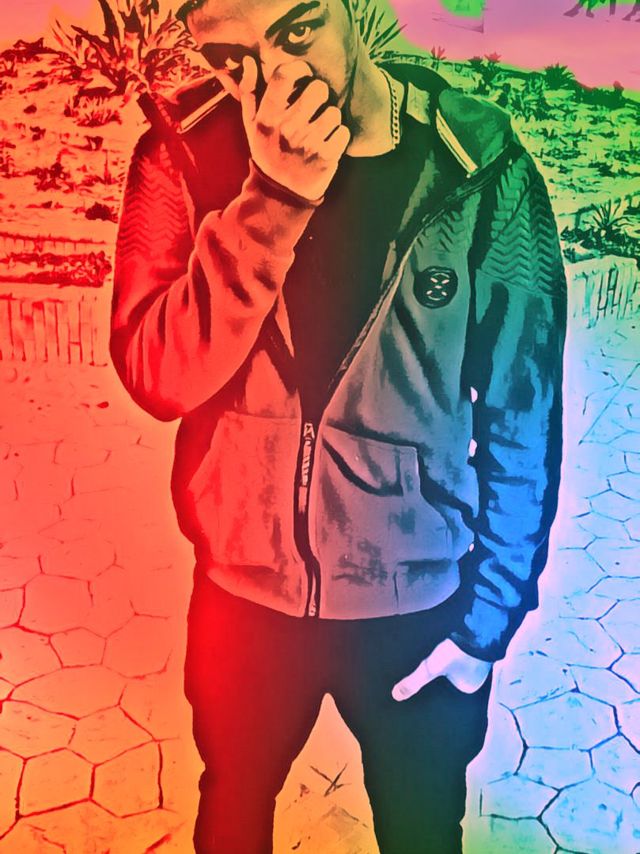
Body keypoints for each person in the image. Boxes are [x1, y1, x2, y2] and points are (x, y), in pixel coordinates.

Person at [110, 0, 567, 851]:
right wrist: (275, 200)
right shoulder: (181, 152)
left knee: (421, 829)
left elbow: (522, 407)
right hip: (241, 600)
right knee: (232, 812)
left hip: (418, 604)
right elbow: (158, 376)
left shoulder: (477, 163)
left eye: (298, 29)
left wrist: (486, 627)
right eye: (233, 59)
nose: (275, 79)